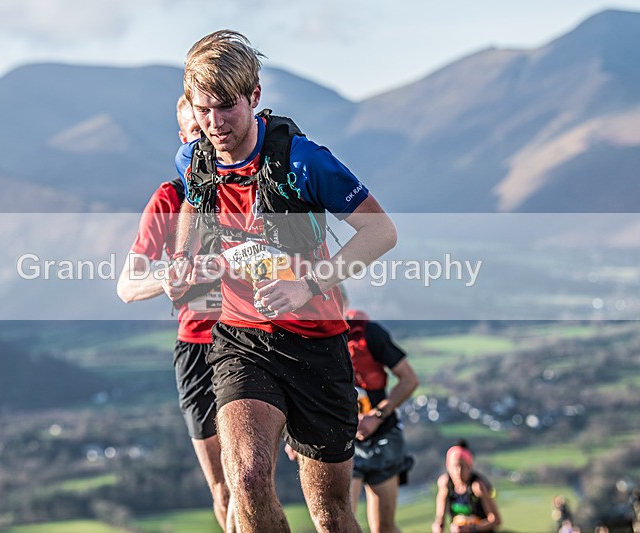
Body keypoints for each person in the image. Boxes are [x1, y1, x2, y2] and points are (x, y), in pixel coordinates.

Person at [166, 30, 398, 533]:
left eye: (226, 107)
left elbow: (380, 231)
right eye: (202, 110)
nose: (214, 123)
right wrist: (183, 257)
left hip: (316, 344)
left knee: (331, 513)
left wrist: (308, 285)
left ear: (254, 97)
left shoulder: (303, 161)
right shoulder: (195, 157)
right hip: (240, 340)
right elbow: (190, 196)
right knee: (246, 479)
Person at [117, 96, 229, 530]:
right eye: (197, 133)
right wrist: (169, 279)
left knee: (252, 477)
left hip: (257, 337)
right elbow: (127, 285)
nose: (208, 139)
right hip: (198, 349)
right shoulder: (169, 197)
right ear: (183, 138)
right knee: (223, 487)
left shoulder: (253, 187)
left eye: (213, 130)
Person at [344, 305, 419, 533]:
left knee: (383, 528)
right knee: (341, 522)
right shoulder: (309, 334)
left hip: (383, 439)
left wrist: (377, 416)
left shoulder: (369, 333)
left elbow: (409, 380)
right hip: (342, 442)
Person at [432, 441, 502, 533]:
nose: (459, 471)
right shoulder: (445, 484)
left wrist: (471, 529)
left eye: (463, 466)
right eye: (455, 466)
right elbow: (440, 518)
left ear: (470, 467)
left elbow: (496, 520)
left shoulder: (477, 486)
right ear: (448, 467)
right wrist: (438, 526)